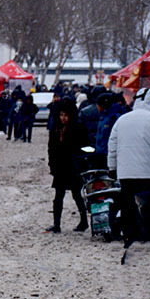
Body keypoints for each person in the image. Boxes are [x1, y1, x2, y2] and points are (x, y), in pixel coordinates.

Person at [107, 88, 150, 245]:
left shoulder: (122, 120)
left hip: (126, 172)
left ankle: (131, 233)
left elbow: (113, 147)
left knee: (128, 205)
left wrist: (112, 168)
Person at [45, 98, 89, 233]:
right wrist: (52, 164)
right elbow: (51, 148)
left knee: (77, 195)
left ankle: (83, 221)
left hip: (73, 167)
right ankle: (56, 224)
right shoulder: (56, 128)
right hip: (60, 167)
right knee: (58, 196)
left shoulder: (77, 127)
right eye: (61, 115)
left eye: (66, 115)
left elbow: (81, 146)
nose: (63, 118)